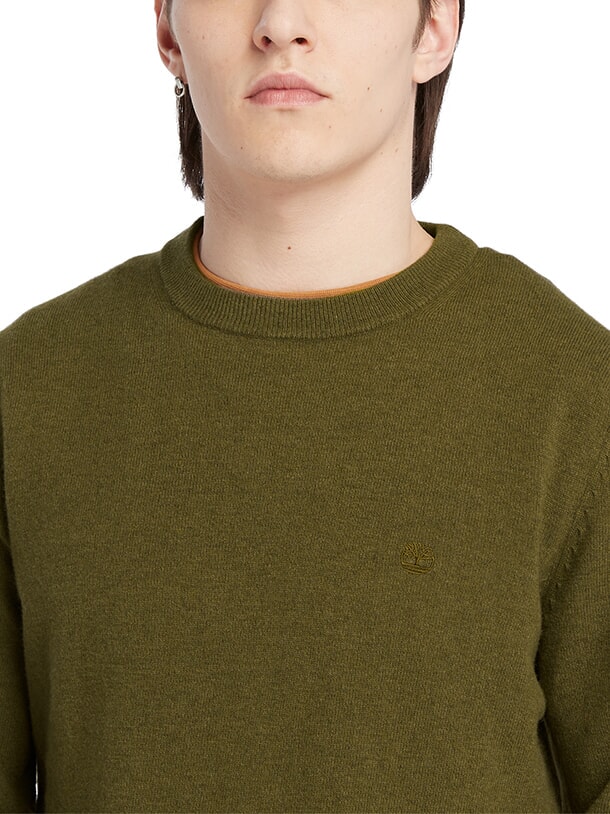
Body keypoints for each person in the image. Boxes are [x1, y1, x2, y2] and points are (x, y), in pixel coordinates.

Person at [1, 0, 608, 810]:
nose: (281, 20)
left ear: (435, 27)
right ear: (167, 28)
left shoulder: (573, 391)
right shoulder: (28, 393)